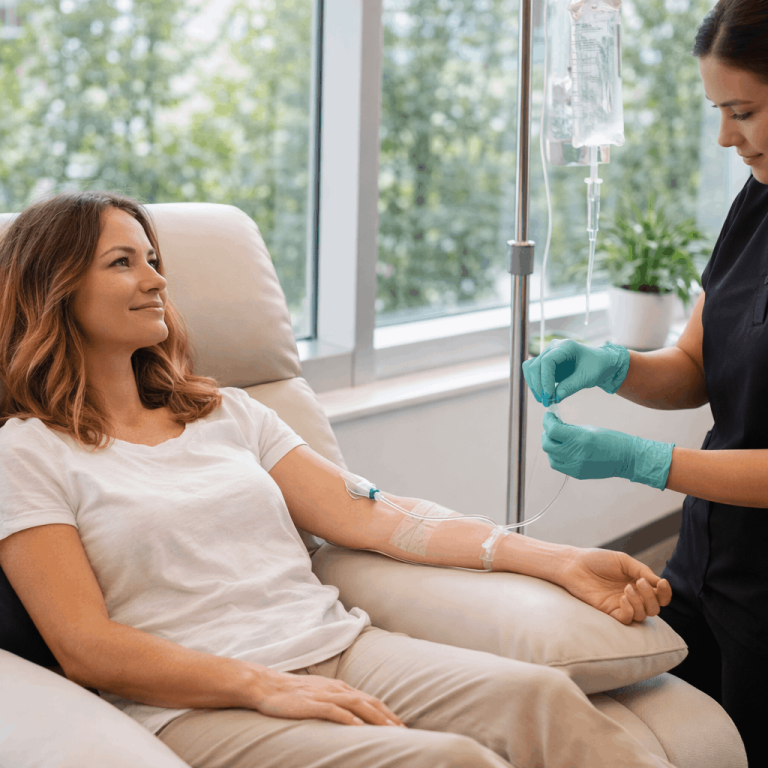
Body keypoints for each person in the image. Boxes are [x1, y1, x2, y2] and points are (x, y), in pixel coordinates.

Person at [0, 191, 679, 768]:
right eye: (123, 262)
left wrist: (558, 561)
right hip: (192, 700)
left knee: (543, 697)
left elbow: (375, 515)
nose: (155, 279)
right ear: (53, 289)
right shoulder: (27, 452)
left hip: (337, 646)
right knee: (448, 761)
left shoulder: (226, 411)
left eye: (153, 260)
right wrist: (259, 685)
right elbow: (83, 645)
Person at [523, 2, 768, 764]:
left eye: (744, 111)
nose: (727, 137)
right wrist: (614, 366)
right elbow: (696, 364)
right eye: (719, 113)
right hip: (709, 554)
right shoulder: (756, 203)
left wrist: (642, 462)